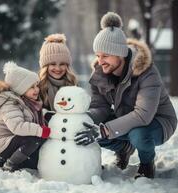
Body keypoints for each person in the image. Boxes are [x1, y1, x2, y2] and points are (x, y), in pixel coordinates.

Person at [74, 12, 177, 179]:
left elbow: (143, 115)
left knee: (138, 134)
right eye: (98, 56)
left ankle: (146, 164)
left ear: (120, 54)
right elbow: (99, 107)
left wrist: (105, 129)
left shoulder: (147, 72)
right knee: (90, 129)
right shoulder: (101, 73)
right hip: (128, 118)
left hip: (158, 121)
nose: (100, 61)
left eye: (105, 56)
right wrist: (86, 120)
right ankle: (124, 149)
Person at [0, 61, 52, 172]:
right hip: (2, 143)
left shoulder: (29, 102)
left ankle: (1, 160)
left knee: (35, 161)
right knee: (34, 138)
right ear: (20, 89)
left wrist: (47, 117)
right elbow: (17, 126)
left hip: (15, 140)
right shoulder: (10, 104)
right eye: (32, 87)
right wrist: (40, 130)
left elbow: (32, 118)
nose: (37, 89)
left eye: (37, 85)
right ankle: (10, 163)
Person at [38, 33, 77, 121]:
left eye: (62, 64)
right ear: (45, 66)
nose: (58, 68)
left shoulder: (72, 83)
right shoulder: (39, 86)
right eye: (52, 64)